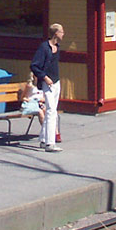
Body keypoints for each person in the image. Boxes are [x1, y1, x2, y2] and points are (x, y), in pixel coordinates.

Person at [31, 23, 64, 152]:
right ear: (56, 33)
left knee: (53, 109)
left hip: (56, 82)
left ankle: (44, 139)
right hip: (47, 82)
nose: (63, 34)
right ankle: (51, 143)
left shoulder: (57, 47)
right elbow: (34, 66)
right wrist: (44, 77)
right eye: (61, 31)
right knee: (50, 111)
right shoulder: (44, 48)